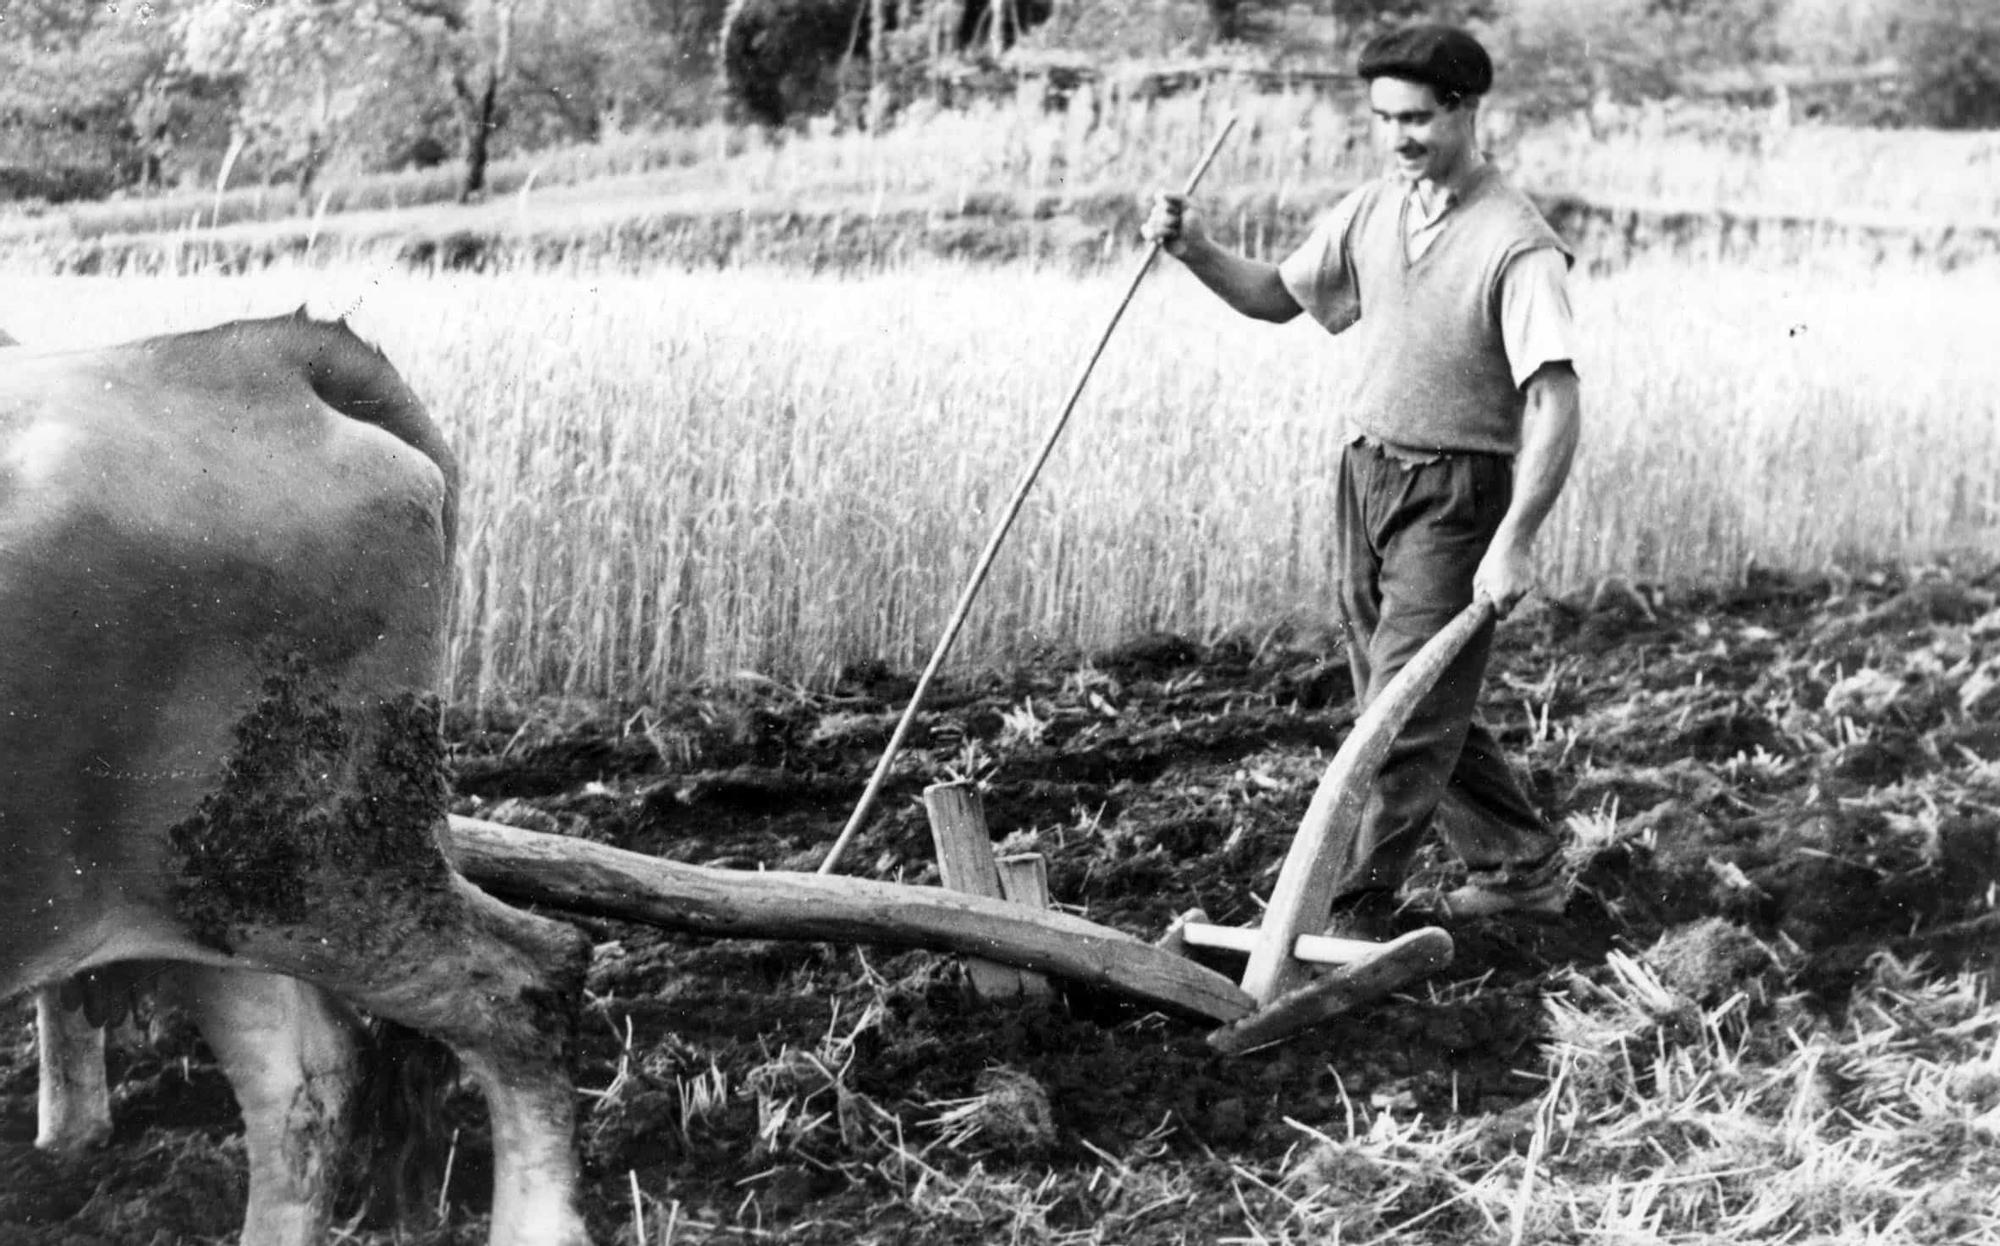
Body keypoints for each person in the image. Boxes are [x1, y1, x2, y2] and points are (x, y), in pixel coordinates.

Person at [1141, 24, 1582, 935]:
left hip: (1458, 493)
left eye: (1417, 119)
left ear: (1466, 110)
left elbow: (1554, 400)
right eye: (1383, 118)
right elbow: (1276, 297)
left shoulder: (1516, 242)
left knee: (1397, 712)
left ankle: (1343, 911)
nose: (1398, 138)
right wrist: (1196, 249)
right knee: (1407, 694)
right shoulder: (1373, 209)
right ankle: (1520, 863)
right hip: (1365, 474)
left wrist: (1516, 538)